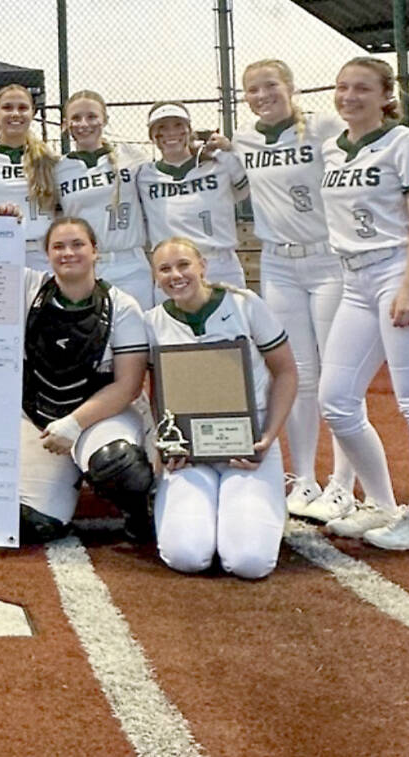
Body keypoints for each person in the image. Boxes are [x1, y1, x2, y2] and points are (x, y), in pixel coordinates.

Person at [317, 57, 409, 551]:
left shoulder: (406, 142)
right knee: (334, 399)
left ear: (384, 96)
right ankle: (378, 502)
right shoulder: (334, 149)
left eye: (361, 88)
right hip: (355, 280)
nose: (349, 96)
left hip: (400, 270)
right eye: (342, 87)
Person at [214, 59, 356, 522]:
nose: (261, 95)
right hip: (277, 262)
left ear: (291, 88)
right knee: (298, 373)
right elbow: (229, 181)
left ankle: (343, 484)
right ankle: (307, 478)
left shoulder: (323, 126)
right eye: (252, 90)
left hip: (328, 258)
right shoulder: (246, 139)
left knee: (339, 376)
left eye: (270, 86)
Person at [145, 238, 298, 579]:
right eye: (165, 269)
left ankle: (255, 510)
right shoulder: (152, 322)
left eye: (184, 264)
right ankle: (209, 512)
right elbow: (158, 393)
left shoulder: (245, 305)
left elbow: (286, 372)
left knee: (249, 562)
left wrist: (268, 438)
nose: (176, 275)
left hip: (249, 446)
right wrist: (167, 443)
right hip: (190, 453)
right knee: (186, 555)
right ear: (155, 277)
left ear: (202, 266)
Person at [18, 216, 153, 544]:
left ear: (95, 251)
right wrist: (1, 230)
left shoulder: (123, 306)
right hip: (40, 417)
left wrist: (74, 424)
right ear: (46, 254)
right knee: (34, 526)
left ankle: (138, 513)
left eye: (78, 244)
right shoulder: (28, 289)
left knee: (117, 464)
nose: (68, 253)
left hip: (100, 415)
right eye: (58, 246)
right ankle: (66, 478)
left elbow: (128, 385)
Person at [136, 102, 249, 292]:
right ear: (152, 136)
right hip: (172, 269)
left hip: (220, 263)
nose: (171, 133)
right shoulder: (144, 175)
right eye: (162, 127)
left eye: (178, 125)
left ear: (189, 130)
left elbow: (244, 188)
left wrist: (226, 150)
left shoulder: (219, 165)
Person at [54, 90, 152, 308]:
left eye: (92, 116)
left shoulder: (131, 156)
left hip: (131, 262)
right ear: (65, 124)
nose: (84, 124)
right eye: (76, 118)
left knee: (139, 336)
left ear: (105, 119)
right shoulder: (58, 168)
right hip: (87, 266)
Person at [0, 84, 59, 269]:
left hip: (41, 254)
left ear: (33, 113)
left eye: (23, 108)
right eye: (7, 107)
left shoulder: (50, 159)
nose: (15, 113)